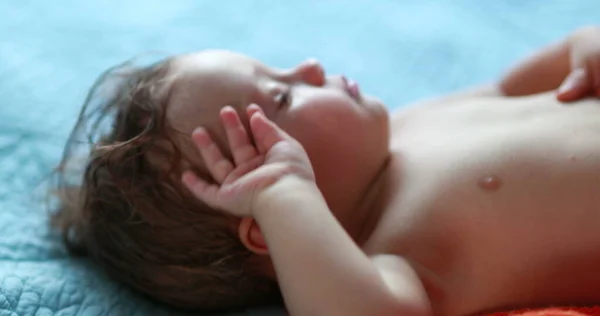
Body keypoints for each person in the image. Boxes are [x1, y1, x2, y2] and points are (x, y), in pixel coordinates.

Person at [52, 26, 600, 315]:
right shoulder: (392, 255)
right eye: (283, 96)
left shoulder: (406, 127)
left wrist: (581, 47)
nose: (310, 68)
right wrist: (286, 199)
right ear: (269, 226)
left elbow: (512, 87)